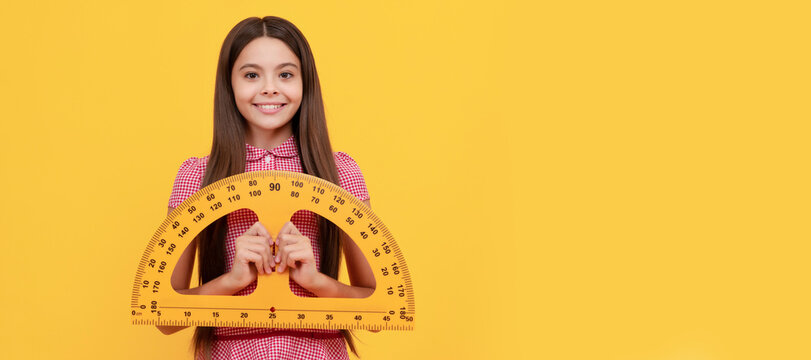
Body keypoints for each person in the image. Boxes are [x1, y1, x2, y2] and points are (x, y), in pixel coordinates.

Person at [155, 16, 378, 360]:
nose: (269, 88)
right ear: (228, 85)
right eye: (251, 75)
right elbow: (164, 317)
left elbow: (379, 310)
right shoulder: (197, 177)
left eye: (285, 74)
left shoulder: (341, 173)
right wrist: (232, 281)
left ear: (307, 84)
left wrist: (316, 281)